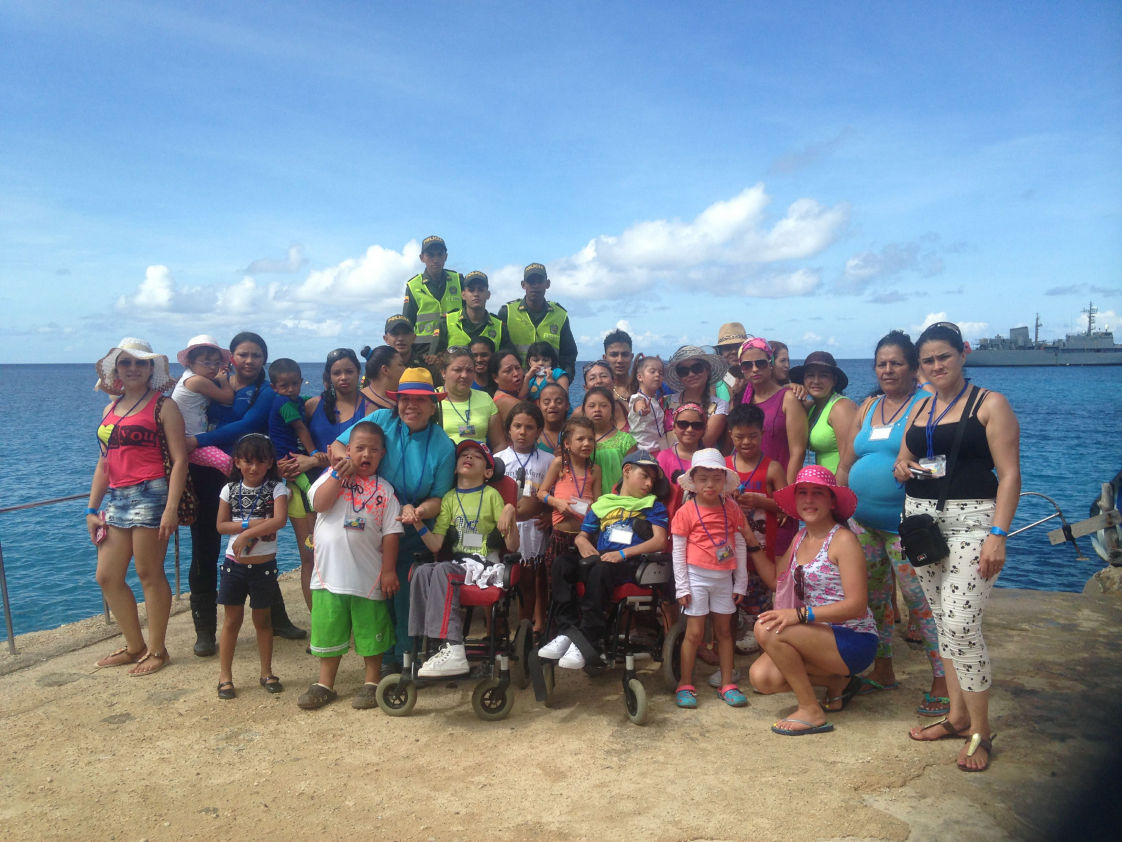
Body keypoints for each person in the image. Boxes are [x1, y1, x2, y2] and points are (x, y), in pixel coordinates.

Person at [895, 321, 1020, 772]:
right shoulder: (922, 407)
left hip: (973, 523)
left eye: (943, 356)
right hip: (923, 523)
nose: (935, 366)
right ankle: (956, 715)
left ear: (962, 354)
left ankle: (981, 732)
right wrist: (904, 469)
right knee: (943, 619)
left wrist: (998, 535)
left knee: (963, 623)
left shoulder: (991, 404)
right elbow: (904, 460)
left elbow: (1009, 475)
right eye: (927, 360)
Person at [835, 331, 946, 715]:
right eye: (881, 363)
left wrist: (915, 468)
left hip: (906, 525)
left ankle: (942, 679)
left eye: (896, 362)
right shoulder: (867, 408)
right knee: (874, 602)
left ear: (914, 368)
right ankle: (883, 670)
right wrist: (838, 508)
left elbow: (945, 464)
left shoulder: (929, 404)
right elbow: (847, 463)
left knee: (922, 603)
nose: (888, 369)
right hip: (862, 523)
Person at [330, 367, 456, 671]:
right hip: (368, 525)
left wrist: (417, 511)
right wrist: (345, 461)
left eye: (420, 400)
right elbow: (337, 446)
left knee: (401, 595)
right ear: (396, 401)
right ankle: (377, 656)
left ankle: (402, 658)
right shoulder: (378, 421)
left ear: (433, 405)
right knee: (373, 594)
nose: (411, 405)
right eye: (405, 399)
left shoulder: (443, 445)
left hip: (408, 530)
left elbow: (438, 499)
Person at [748, 466, 877, 736]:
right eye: (803, 493)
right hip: (816, 635)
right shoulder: (800, 537)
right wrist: (749, 539)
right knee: (761, 678)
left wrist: (800, 615)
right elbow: (775, 580)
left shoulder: (843, 540)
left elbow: (857, 605)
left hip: (852, 638)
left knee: (766, 628)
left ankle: (811, 709)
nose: (808, 500)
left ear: (832, 502)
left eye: (817, 493)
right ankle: (838, 682)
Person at [87, 338, 183, 676]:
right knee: (107, 576)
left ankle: (157, 649)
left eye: (139, 363)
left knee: (148, 573)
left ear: (150, 369)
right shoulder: (109, 410)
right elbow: (103, 464)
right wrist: (91, 509)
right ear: (116, 369)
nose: (132, 368)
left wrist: (171, 508)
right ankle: (134, 646)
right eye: (125, 362)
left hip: (152, 493)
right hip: (116, 498)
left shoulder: (163, 406)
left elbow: (180, 458)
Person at [298, 421, 403, 710]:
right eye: (359, 448)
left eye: (373, 450)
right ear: (347, 451)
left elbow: (392, 533)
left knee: (372, 630)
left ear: (382, 455)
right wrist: (336, 475)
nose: (365, 454)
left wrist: (389, 570)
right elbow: (319, 504)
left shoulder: (385, 490)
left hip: (368, 577)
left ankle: (371, 682)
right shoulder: (328, 477)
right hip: (328, 575)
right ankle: (325, 683)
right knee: (328, 628)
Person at [538, 451, 669, 669]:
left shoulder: (652, 505)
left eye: (653, 480)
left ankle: (588, 637)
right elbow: (583, 534)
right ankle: (567, 633)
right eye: (644, 475)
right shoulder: (603, 504)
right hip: (600, 561)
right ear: (627, 471)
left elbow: (659, 541)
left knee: (601, 568)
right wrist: (581, 541)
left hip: (630, 565)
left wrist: (623, 554)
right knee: (562, 564)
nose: (648, 483)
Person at [406, 440, 518, 677]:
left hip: (486, 563)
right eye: (464, 455)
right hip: (459, 563)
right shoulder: (448, 498)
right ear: (455, 468)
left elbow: (512, 545)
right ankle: (426, 643)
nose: (468, 457)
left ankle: (455, 648)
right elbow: (436, 544)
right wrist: (418, 524)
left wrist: (510, 510)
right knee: (422, 571)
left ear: (488, 472)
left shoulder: (491, 496)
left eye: (476, 456)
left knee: (442, 571)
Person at [280, 348, 372, 610]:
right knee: (311, 557)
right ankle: (319, 623)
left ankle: (355, 617)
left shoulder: (371, 407)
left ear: (359, 373)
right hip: (311, 492)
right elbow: (292, 442)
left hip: (356, 493)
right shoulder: (313, 406)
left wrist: (313, 460)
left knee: (355, 555)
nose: (343, 377)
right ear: (328, 377)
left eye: (349, 371)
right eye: (337, 372)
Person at [672, 449, 749, 709]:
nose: (709, 484)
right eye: (703, 478)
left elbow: (739, 544)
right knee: (693, 633)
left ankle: (727, 683)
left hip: (724, 579)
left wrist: (741, 582)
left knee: (725, 632)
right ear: (693, 480)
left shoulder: (732, 508)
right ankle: (685, 683)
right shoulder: (686, 511)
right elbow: (678, 550)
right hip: (695, 577)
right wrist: (682, 586)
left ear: (724, 481)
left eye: (716, 479)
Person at [215, 434, 290, 699]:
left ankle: (266, 671)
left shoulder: (278, 489)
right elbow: (221, 526)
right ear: (237, 462)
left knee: (263, 621)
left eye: (260, 461)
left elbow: (280, 520)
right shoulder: (230, 489)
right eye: (247, 462)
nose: (253, 467)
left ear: (270, 462)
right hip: (234, 566)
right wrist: (250, 525)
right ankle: (225, 676)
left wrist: (245, 535)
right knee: (231, 621)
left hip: (264, 567)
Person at [725, 403, 787, 651]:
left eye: (753, 436)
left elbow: (787, 508)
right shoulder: (724, 466)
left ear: (763, 433)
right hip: (728, 546)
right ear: (730, 434)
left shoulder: (772, 468)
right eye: (740, 437)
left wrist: (763, 502)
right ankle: (735, 628)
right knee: (731, 588)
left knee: (759, 589)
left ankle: (758, 630)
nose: (746, 442)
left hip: (761, 547)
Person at [266, 358, 319, 610]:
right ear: (274, 387)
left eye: (294, 384)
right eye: (284, 385)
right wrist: (314, 454)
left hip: (287, 457)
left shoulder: (296, 400)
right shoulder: (284, 404)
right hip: (289, 458)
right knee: (310, 488)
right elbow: (301, 429)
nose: (290, 390)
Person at [495, 402, 551, 632]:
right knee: (501, 579)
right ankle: (497, 629)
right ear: (509, 429)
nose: (522, 432)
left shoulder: (548, 461)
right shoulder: (498, 460)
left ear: (538, 432)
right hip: (504, 528)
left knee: (530, 580)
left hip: (534, 528)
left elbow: (555, 492)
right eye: (517, 426)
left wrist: (548, 513)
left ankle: (525, 627)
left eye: (529, 427)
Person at [539, 416, 602, 615]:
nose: (587, 444)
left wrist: (595, 509)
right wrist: (557, 502)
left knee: (583, 587)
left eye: (591, 439)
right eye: (581, 439)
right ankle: (558, 631)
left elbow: (599, 502)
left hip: (585, 536)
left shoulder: (595, 470)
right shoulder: (559, 464)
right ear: (567, 443)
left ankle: (580, 632)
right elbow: (541, 493)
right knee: (557, 588)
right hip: (560, 537)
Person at [738, 337, 807, 486]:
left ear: (771, 364)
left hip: (779, 483)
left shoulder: (788, 398)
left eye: (761, 363)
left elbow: (798, 452)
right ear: (742, 369)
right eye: (747, 365)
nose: (755, 369)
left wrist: (786, 494)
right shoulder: (743, 400)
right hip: (748, 485)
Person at [497, 263, 577, 380]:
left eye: (539, 281)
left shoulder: (560, 315)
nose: (535, 285)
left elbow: (568, 354)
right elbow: (499, 352)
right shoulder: (507, 312)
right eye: (531, 282)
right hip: (516, 384)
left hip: (549, 386)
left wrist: (565, 380)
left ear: (547, 284)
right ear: (523, 285)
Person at [171, 334, 235, 475]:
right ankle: (241, 491)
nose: (212, 367)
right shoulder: (197, 381)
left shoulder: (187, 377)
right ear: (190, 362)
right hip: (187, 442)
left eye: (217, 363)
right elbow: (228, 398)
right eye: (206, 363)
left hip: (191, 439)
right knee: (226, 462)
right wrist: (223, 380)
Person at [790, 351, 856, 474]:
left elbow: (849, 462)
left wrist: (839, 491)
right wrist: (790, 386)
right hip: (825, 486)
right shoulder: (814, 408)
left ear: (834, 380)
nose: (816, 381)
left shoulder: (841, 407)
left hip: (841, 486)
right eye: (810, 375)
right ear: (803, 380)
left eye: (823, 375)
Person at [402, 234, 463, 362]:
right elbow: (407, 323)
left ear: (445, 257)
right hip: (424, 350)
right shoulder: (413, 285)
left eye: (439, 254)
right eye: (430, 255)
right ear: (422, 258)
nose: (435, 259)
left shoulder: (458, 280)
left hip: (453, 345)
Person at [665, 345, 729, 450]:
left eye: (697, 368)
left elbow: (705, 443)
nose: (691, 374)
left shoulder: (719, 406)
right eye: (684, 371)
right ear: (678, 376)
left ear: (707, 370)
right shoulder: (665, 402)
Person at [434, 270, 512, 356]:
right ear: (463, 295)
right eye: (471, 290)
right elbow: (435, 358)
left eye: (481, 290)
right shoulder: (446, 322)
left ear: (488, 295)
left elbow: (507, 361)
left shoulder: (500, 327)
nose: (476, 294)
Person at [440, 346, 503, 449]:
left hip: (479, 462)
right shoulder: (431, 399)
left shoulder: (485, 399)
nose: (464, 375)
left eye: (469, 370)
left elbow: (499, 444)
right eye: (458, 370)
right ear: (443, 372)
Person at [584, 385, 637, 494]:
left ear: (612, 410)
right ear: (584, 411)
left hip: (619, 502)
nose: (597, 410)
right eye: (591, 406)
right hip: (588, 503)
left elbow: (634, 476)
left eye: (603, 405)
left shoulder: (625, 440)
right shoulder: (579, 442)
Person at [658, 403, 707, 519]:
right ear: (674, 427)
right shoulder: (664, 457)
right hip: (671, 518)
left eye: (697, 425)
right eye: (683, 424)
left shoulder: (709, 457)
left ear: (704, 429)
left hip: (702, 519)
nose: (689, 429)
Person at [627, 354, 668, 454]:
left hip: (660, 449)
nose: (657, 374)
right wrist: (642, 411)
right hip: (644, 451)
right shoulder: (638, 398)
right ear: (640, 377)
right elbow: (639, 406)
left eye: (660, 373)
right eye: (652, 371)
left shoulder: (655, 400)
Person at [578, 361, 628, 430]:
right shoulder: (579, 413)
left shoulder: (627, 407)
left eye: (604, 376)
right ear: (586, 388)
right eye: (592, 378)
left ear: (614, 382)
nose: (599, 381)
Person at [488, 350, 526, 432]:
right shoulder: (506, 401)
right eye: (508, 371)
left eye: (518, 368)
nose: (516, 373)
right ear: (495, 378)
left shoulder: (515, 394)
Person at [359, 345, 405, 411]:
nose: (405, 369)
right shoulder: (361, 405)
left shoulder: (358, 399)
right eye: (400, 364)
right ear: (385, 370)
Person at [714, 322, 750, 407]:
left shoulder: (757, 378)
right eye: (727, 348)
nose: (734, 351)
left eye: (738, 347)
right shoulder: (714, 385)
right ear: (720, 353)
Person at [603, 328, 635, 411]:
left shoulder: (644, 387)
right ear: (605, 358)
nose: (620, 360)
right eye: (614, 355)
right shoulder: (601, 391)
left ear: (631, 357)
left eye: (625, 355)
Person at [536, 382, 569, 455]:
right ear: (539, 405)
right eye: (546, 402)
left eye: (558, 402)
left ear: (567, 405)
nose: (552, 405)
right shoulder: (533, 436)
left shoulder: (574, 433)